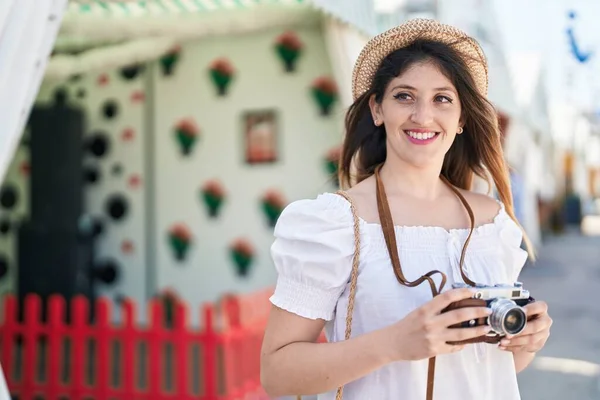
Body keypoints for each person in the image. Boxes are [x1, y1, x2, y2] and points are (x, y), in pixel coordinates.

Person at [260, 19, 552, 400]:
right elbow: (277, 374)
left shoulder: (491, 223)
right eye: (404, 96)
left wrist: (526, 341)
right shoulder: (336, 224)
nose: (422, 116)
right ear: (377, 109)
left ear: (461, 119)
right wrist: (394, 343)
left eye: (442, 99)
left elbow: (491, 371)